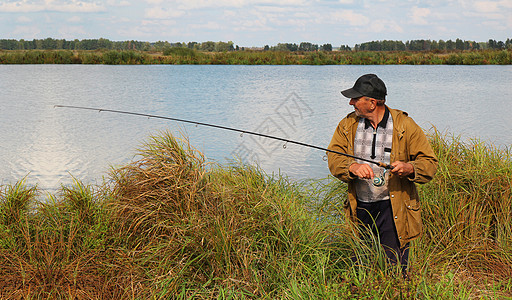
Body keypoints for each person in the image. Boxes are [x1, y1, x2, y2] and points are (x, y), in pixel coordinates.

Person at [327, 74, 438, 274]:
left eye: (355, 98)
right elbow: (334, 158)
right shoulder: (347, 124)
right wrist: (352, 167)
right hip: (359, 208)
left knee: (395, 271)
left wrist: (409, 168)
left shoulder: (405, 125)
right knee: (359, 269)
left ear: (372, 102)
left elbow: (429, 164)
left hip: (393, 210)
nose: (351, 102)